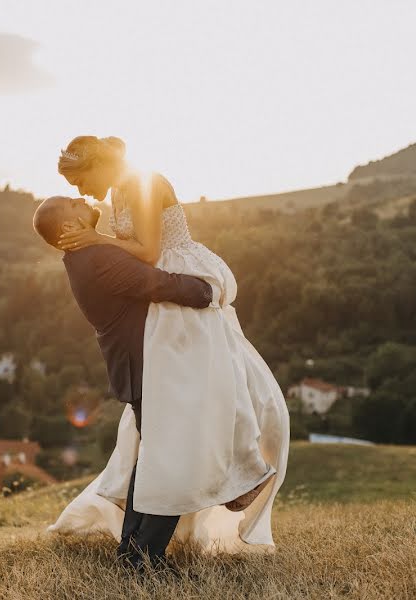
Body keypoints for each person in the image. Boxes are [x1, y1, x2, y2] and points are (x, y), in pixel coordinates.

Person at [46, 136, 290, 556]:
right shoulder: (120, 193)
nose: (80, 191)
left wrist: (95, 238)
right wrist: (96, 236)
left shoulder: (143, 182)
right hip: (164, 306)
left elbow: (148, 251)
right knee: (176, 424)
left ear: (98, 165)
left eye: (79, 179)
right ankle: (145, 547)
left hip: (178, 283)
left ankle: (240, 476)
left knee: (195, 407)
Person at [32, 195, 217, 571]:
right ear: (69, 227)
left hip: (138, 367)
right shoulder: (98, 259)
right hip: (150, 367)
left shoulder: (81, 258)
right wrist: (208, 290)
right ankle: (146, 559)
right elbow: (160, 284)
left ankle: (131, 552)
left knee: (153, 459)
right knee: (173, 460)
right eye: (73, 202)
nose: (82, 198)